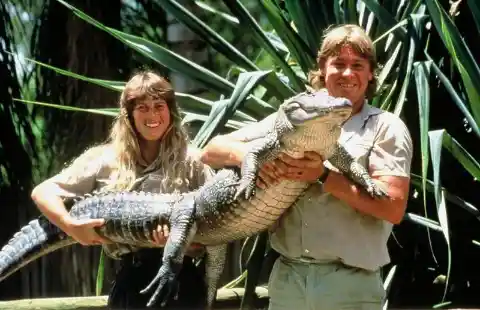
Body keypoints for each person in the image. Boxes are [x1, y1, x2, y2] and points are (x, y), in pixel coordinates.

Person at [200, 24, 413, 310]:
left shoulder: (385, 127)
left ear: (371, 73)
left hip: (349, 285)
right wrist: (255, 159)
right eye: (338, 64)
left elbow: (393, 207)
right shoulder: (294, 117)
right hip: (289, 280)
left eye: (357, 65)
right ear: (323, 69)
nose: (348, 73)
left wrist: (322, 175)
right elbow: (212, 151)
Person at [30, 70, 214, 309]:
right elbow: (43, 192)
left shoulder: (193, 161)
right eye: (142, 108)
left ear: (171, 110)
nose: (153, 115)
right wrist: (70, 225)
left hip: (182, 283)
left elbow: (216, 223)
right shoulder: (104, 159)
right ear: (128, 114)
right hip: (131, 281)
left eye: (159, 105)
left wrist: (180, 243)